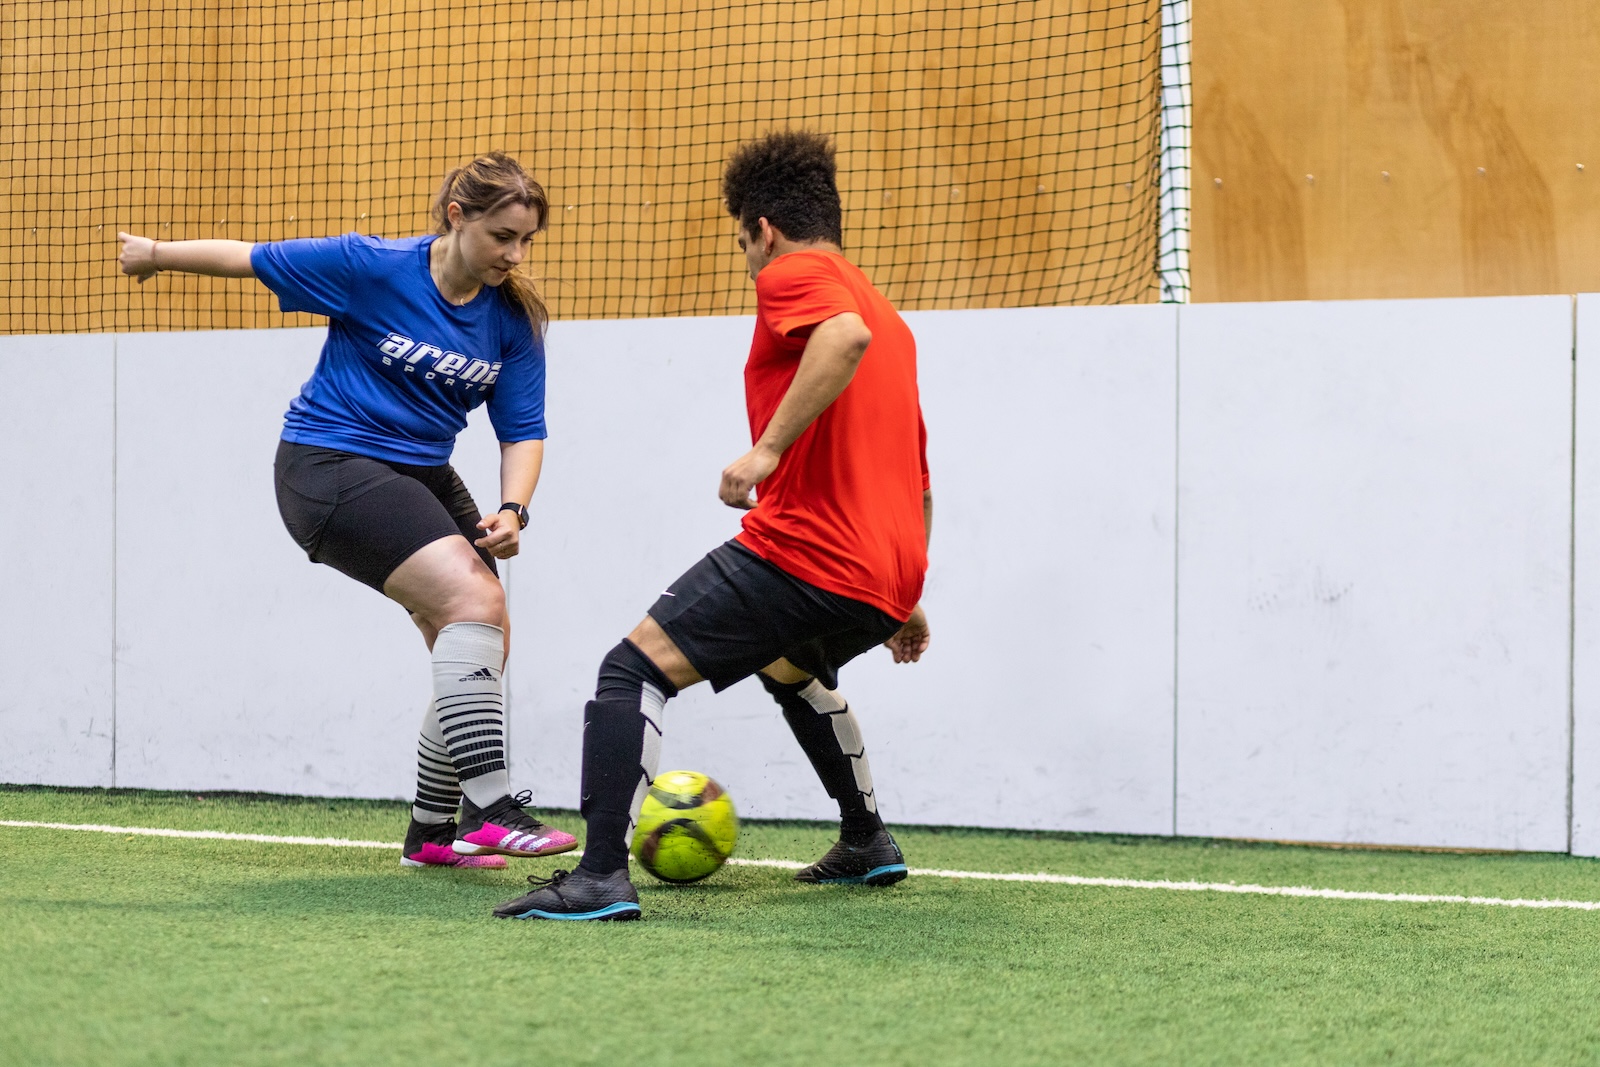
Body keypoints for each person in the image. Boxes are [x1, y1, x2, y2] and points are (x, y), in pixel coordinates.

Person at [494, 130, 932, 921]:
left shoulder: (802, 275)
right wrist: (907, 594)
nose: (749, 263)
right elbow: (915, 469)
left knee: (632, 669)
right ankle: (867, 837)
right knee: (788, 668)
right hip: (885, 568)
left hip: (809, 552)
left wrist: (764, 452)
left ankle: (597, 876)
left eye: (743, 245)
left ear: (764, 228)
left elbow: (841, 337)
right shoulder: (891, 316)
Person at [115, 152, 578, 870]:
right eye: (502, 236)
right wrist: (155, 255)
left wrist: (515, 506)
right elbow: (252, 258)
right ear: (457, 218)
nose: (514, 255)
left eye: (526, 240)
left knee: (482, 632)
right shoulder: (372, 266)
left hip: (420, 470)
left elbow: (523, 429)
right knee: (473, 595)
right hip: (325, 464)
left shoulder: (511, 319)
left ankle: (430, 835)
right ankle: (489, 808)